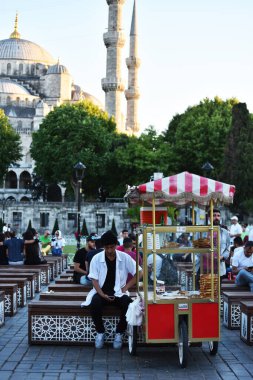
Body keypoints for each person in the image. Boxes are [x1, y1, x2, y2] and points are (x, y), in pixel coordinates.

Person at [82, 230, 142, 350]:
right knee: (95, 304)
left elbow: (139, 272)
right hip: (101, 292)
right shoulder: (96, 258)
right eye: (107, 247)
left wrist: (125, 288)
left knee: (129, 305)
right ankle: (100, 332)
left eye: (112, 247)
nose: (110, 250)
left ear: (116, 245)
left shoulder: (124, 257)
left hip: (119, 292)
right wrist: (102, 294)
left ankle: (119, 333)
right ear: (104, 247)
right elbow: (93, 279)